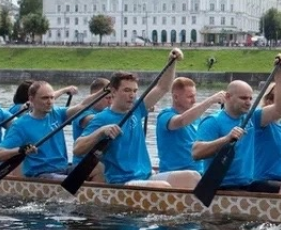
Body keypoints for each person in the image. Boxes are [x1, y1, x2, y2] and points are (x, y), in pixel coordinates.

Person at [75, 49, 201, 189]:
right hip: (122, 181)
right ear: (113, 91)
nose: (132, 95)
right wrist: (101, 132)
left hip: (145, 176)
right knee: (163, 186)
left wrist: (171, 61)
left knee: (193, 177)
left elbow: (163, 87)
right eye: (127, 90)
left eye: (135, 91)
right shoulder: (102, 118)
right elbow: (77, 148)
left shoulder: (137, 110)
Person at [192, 55, 281, 192]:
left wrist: (280, 75)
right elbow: (196, 153)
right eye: (243, 98)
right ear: (227, 97)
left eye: (250, 98)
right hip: (222, 187)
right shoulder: (213, 121)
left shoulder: (252, 117)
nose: (249, 102)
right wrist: (226, 139)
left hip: (248, 184)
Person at [0, 81, 80, 179]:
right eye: (44, 97)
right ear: (31, 99)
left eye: (51, 97)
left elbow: (50, 98)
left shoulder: (48, 109)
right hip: (37, 170)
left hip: (60, 168)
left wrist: (64, 90)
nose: (49, 101)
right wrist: (21, 149)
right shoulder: (19, 110)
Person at [156, 77, 227, 174]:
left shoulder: (196, 116)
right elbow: (181, 121)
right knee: (193, 176)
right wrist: (210, 100)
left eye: (194, 96)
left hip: (198, 171)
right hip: (174, 173)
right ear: (175, 97)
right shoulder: (164, 116)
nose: (194, 101)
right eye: (190, 97)